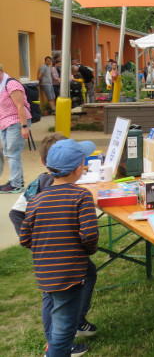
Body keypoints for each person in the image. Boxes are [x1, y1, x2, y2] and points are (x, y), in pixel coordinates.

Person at [10, 133, 98, 354]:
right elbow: (89, 236)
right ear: (79, 169)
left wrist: (45, 247)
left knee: (58, 313)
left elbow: (25, 238)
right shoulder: (81, 196)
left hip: (45, 271)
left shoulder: (37, 199)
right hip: (70, 273)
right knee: (64, 328)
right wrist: (86, 250)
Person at [0, 63, 32, 193]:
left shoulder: (11, 84)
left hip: (17, 121)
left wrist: (24, 127)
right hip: (5, 122)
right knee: (8, 152)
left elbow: (20, 106)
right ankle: (16, 180)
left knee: (12, 153)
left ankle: (16, 184)